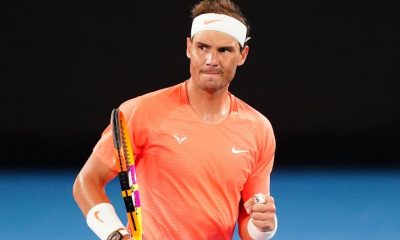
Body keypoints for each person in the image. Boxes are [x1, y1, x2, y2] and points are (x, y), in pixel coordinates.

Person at [73, 0, 278, 239]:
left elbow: (249, 226)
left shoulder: (259, 129)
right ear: (189, 48)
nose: (211, 59)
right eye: (203, 47)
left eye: (224, 50)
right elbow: (87, 182)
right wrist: (116, 235)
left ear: (242, 55)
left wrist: (264, 226)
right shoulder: (140, 112)